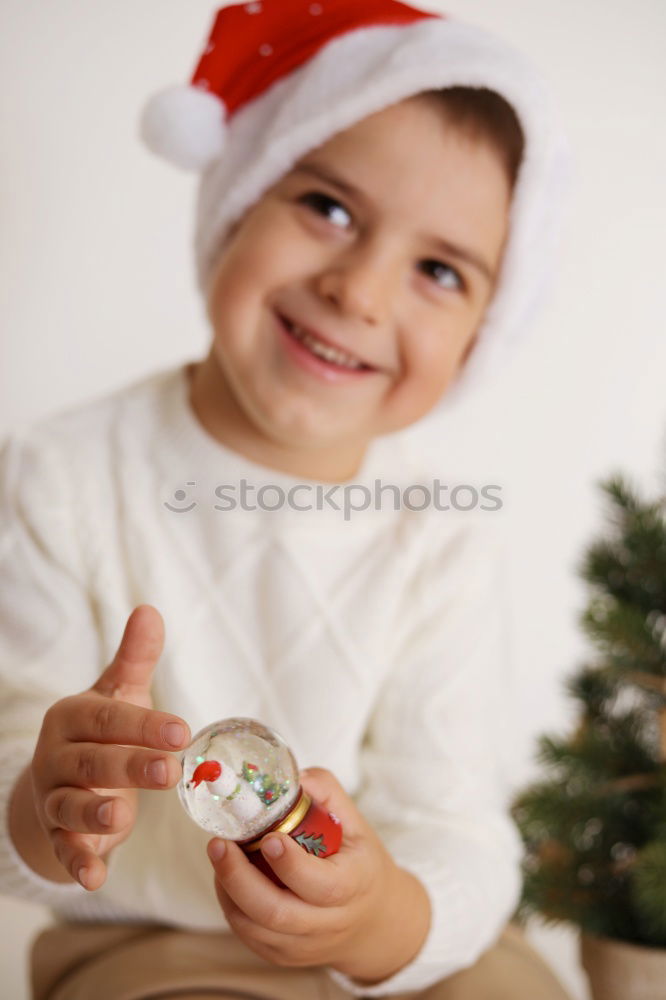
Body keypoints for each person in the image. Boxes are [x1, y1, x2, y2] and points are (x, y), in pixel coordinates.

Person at [0, 2, 576, 998]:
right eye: (330, 208)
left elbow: (461, 828)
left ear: (485, 334)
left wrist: (384, 915)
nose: (360, 291)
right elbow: (14, 770)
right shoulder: (59, 475)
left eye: (439, 270)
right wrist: (47, 803)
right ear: (235, 198)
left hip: (398, 938)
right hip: (152, 942)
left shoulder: (437, 537)